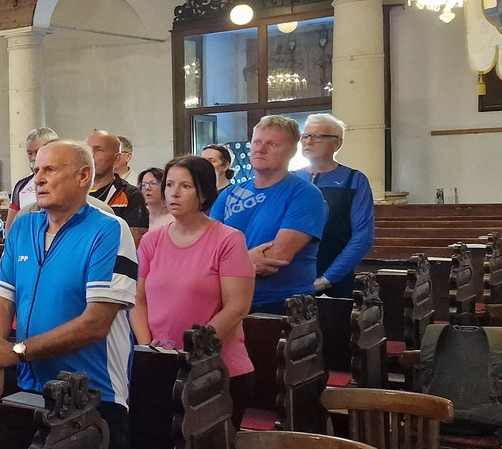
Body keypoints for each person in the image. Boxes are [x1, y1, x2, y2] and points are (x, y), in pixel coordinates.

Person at [0, 139, 137, 449]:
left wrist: (16, 351)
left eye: (50, 170)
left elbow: (96, 323)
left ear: (83, 175)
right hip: (32, 388)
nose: (38, 179)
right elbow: (1, 299)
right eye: (36, 170)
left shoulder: (109, 230)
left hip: (94, 395)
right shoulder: (23, 228)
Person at [131, 156, 255, 426]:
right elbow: (138, 300)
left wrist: (195, 351)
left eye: (185, 186)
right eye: (169, 184)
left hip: (216, 369)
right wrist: (148, 347)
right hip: (162, 366)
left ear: (204, 194)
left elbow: (237, 307)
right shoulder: (151, 240)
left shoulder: (228, 239)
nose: (173, 193)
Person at [212, 117, 327, 313]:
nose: (260, 149)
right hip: (228, 300)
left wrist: (223, 264)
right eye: (257, 142)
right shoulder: (230, 193)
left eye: (272, 144)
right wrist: (245, 261)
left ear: (292, 151)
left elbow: (275, 258)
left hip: (283, 306)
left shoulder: (305, 194)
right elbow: (208, 250)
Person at [294, 113, 375, 299]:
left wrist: (328, 278)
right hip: (291, 279)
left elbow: (362, 236)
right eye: (305, 136)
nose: (308, 142)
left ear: (337, 143)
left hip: (335, 281)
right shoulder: (290, 179)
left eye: (317, 136)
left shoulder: (354, 180)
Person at [86, 130, 147, 236]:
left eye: (98, 150)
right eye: (87, 150)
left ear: (116, 158)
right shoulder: (71, 193)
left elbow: (133, 240)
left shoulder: (130, 195)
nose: (90, 155)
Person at [5, 127, 58, 232]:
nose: (34, 158)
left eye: (38, 152)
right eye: (30, 153)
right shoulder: (21, 185)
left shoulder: (62, 181)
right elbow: (10, 228)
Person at [136, 167, 171, 232]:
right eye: (143, 185)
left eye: (153, 183)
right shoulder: (137, 216)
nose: (147, 188)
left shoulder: (176, 218)